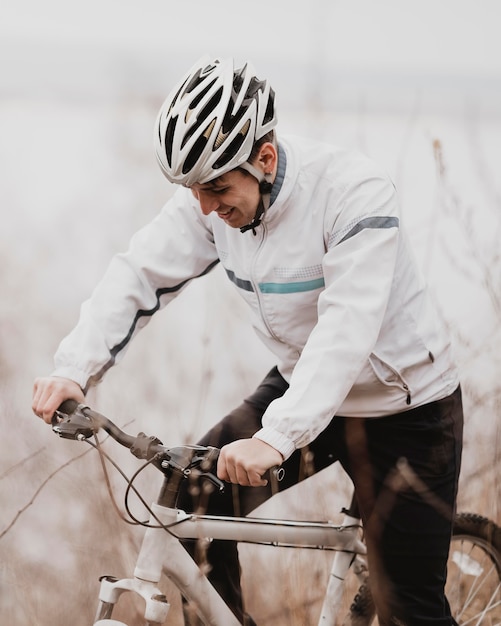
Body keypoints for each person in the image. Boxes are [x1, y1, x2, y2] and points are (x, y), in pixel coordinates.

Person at [33, 56, 463, 626]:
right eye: (194, 193)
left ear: (264, 158)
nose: (206, 208)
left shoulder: (352, 194)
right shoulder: (211, 202)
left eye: (216, 189)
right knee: (189, 507)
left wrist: (276, 438)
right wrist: (74, 367)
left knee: (409, 610)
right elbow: (140, 273)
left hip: (405, 407)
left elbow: (346, 332)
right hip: (302, 384)